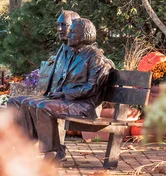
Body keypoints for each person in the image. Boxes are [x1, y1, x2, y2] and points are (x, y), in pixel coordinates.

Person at [21, 18, 113, 160]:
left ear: (84, 35)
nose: (68, 35)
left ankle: (53, 152)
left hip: (85, 106)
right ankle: (29, 148)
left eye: (73, 32)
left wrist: (64, 93)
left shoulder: (95, 57)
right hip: (70, 101)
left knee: (42, 106)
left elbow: (92, 88)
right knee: (29, 103)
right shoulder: (74, 54)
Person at [8, 10, 80, 139]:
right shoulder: (63, 49)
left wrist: (62, 93)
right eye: (58, 25)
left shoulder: (82, 53)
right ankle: (22, 143)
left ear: (76, 27)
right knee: (14, 101)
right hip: (55, 96)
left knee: (34, 105)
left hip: (72, 101)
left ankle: (37, 146)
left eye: (64, 25)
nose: (59, 29)